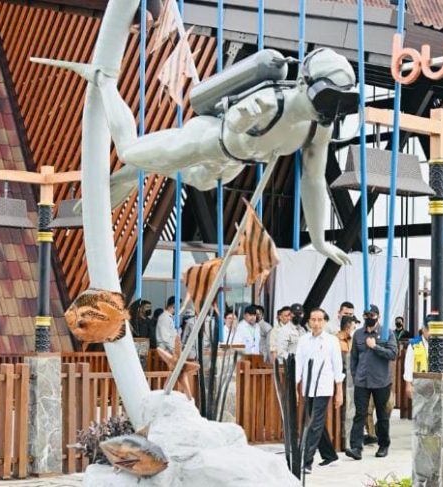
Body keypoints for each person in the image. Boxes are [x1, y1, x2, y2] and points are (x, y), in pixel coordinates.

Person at [43, 46, 360, 267]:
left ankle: (140, 172)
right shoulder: (270, 101)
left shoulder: (318, 128)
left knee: (195, 180)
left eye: (342, 104)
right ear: (305, 83)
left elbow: (314, 181)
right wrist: (244, 116)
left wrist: (319, 240)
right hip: (205, 140)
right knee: (130, 151)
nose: (330, 110)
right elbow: (234, 123)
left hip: (230, 165)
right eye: (328, 97)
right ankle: (104, 82)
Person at [345, 304, 398, 460]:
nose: (369, 319)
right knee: (359, 414)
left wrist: (375, 347)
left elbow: (393, 354)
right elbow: (354, 356)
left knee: (382, 415)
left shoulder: (386, 333)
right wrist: (355, 375)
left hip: (381, 381)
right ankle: (356, 447)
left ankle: (383, 445)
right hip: (362, 381)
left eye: (372, 316)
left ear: (378, 317)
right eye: (366, 316)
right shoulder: (358, 334)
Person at [295, 308, 344, 473]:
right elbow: (298, 364)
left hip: (323, 388)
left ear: (324, 321)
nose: (316, 323)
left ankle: (306, 461)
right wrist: (295, 387)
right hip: (307, 388)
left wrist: (339, 391)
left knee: (313, 423)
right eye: (313, 319)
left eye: (319, 320)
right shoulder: (303, 340)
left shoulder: (331, 341)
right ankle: (330, 455)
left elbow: (338, 366)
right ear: (309, 321)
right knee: (317, 423)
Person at [403, 326, 430, 398]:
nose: (430, 332)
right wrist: (408, 384)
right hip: (418, 382)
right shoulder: (414, 344)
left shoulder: (438, 343)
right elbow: (408, 365)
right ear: (423, 329)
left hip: (433, 382)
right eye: (428, 329)